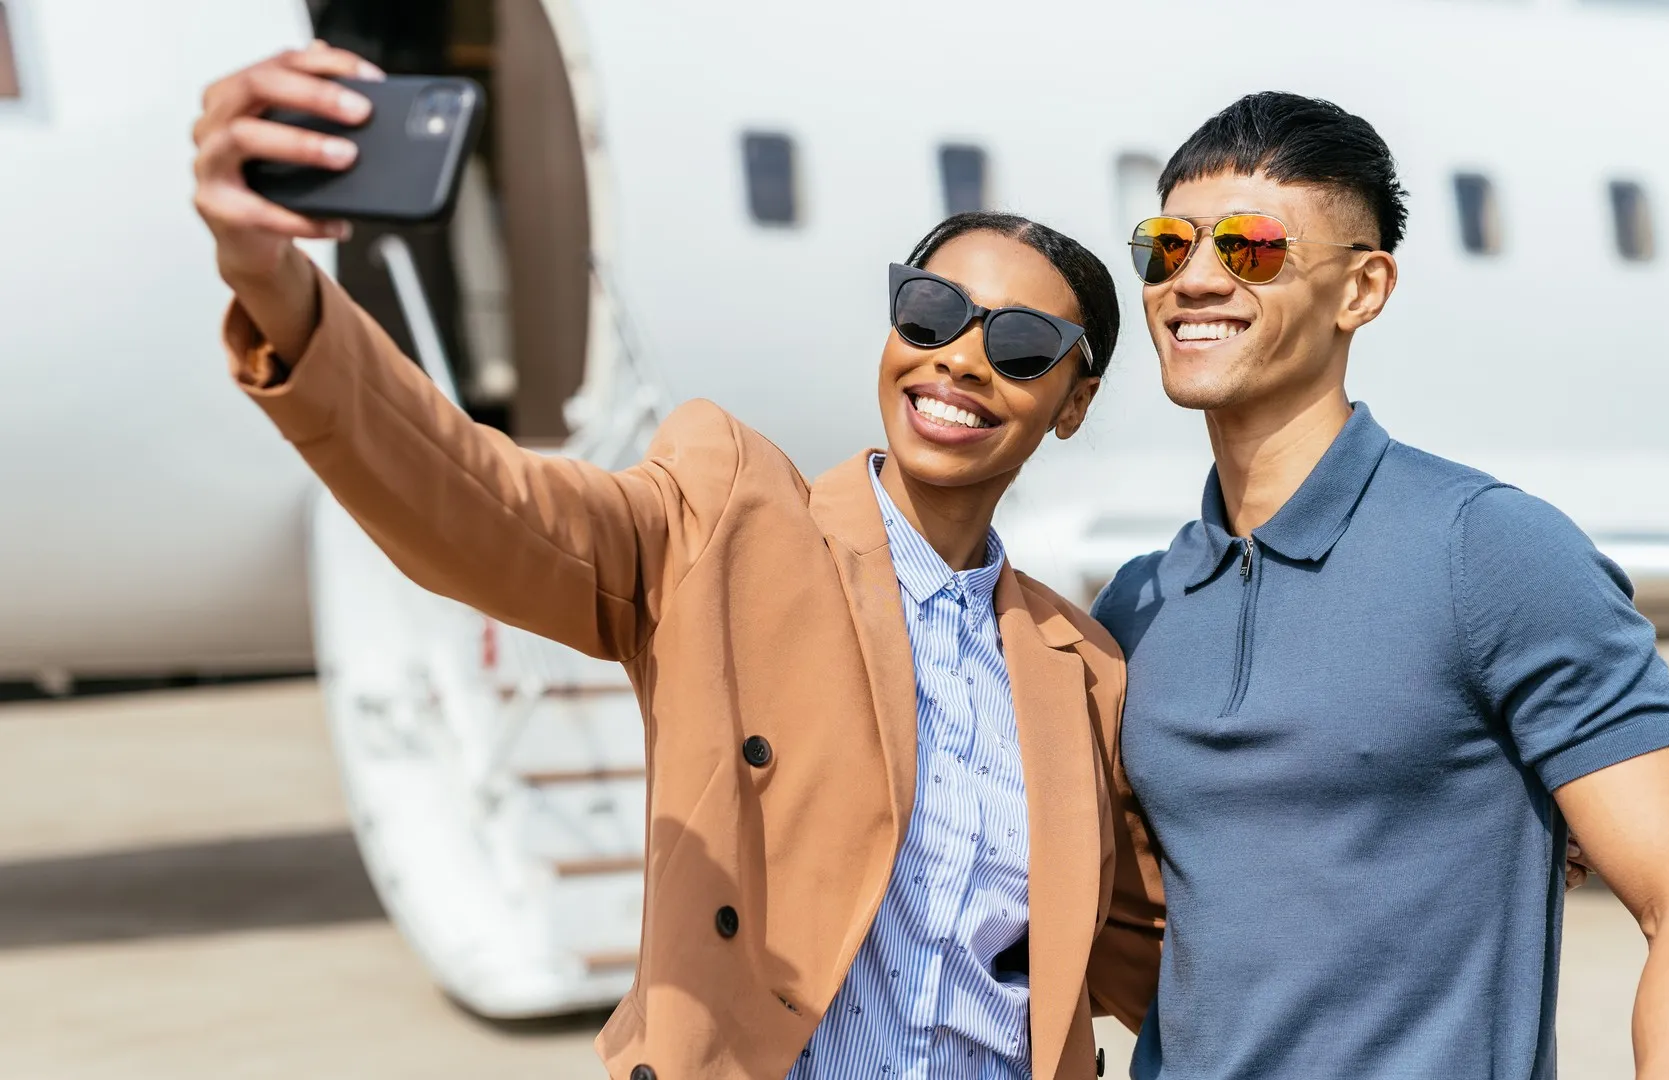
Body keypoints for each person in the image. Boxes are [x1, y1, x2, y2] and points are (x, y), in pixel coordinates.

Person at [189, 43, 1163, 1080]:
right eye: (929, 312)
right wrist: (279, 290)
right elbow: (483, 501)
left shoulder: (1082, 673)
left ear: (1075, 403)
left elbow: (1171, 963)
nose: (959, 357)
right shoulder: (727, 527)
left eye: (1018, 345)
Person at [1094, 92, 1669, 1080]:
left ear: (1363, 290)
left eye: (1249, 249)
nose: (1193, 280)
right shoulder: (1139, 606)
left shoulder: (1488, 550)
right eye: (1166, 246)